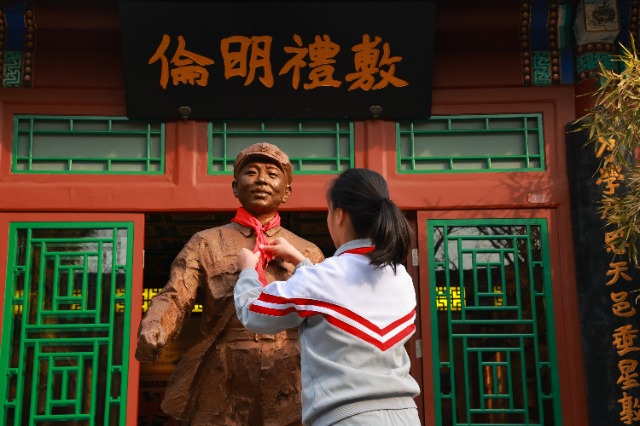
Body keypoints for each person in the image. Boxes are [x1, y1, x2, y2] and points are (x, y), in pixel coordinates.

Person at [136, 142, 325, 425]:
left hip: (290, 371)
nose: (261, 179)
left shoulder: (306, 251)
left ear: (286, 191)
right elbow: (175, 294)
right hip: (224, 370)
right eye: (251, 172)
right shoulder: (205, 242)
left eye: (272, 174)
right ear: (235, 187)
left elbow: (327, 312)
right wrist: (155, 324)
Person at [235, 168, 421, 426]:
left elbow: (254, 311)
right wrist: (303, 263)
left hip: (347, 419)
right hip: (406, 415)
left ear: (340, 214)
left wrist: (247, 270)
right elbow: (341, 293)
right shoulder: (401, 277)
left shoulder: (320, 280)